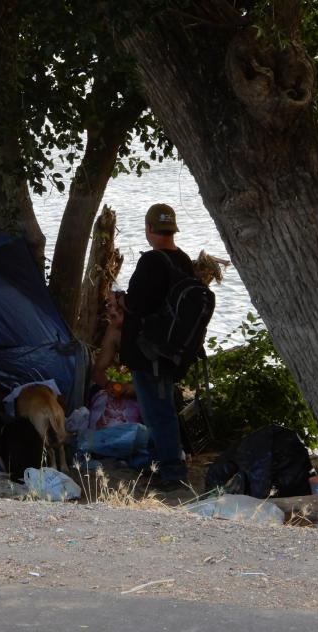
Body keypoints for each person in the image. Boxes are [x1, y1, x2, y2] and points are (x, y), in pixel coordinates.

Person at [119, 203, 195, 489]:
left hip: (150, 351)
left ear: (149, 229)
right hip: (172, 350)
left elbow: (138, 304)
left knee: (157, 411)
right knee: (158, 409)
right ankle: (158, 463)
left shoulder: (151, 261)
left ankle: (172, 472)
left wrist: (120, 302)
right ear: (172, 229)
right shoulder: (183, 260)